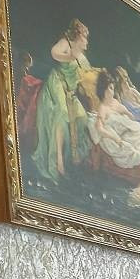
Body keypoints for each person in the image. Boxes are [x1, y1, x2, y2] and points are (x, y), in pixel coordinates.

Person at [30, 19, 93, 177]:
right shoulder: (66, 44)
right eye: (85, 37)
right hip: (57, 83)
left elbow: (87, 75)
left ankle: (73, 156)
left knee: (82, 117)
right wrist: (70, 56)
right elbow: (55, 53)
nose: (86, 41)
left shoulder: (82, 57)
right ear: (78, 36)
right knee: (62, 114)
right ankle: (58, 160)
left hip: (71, 91)